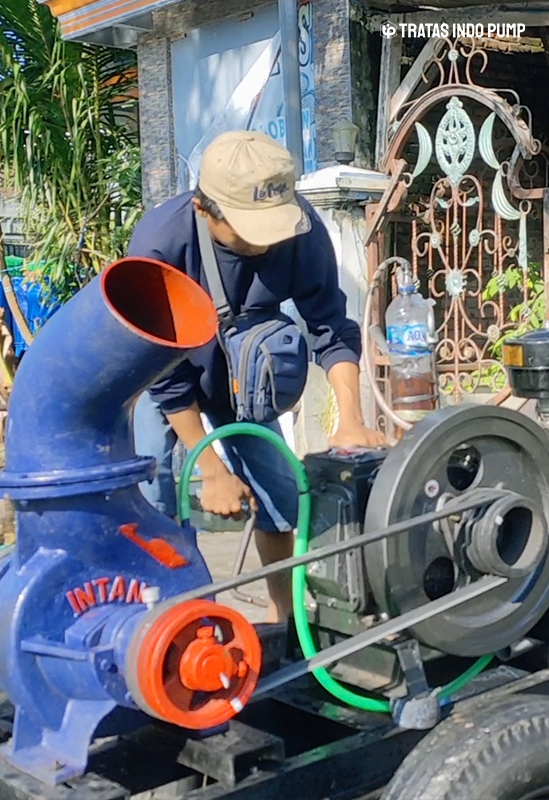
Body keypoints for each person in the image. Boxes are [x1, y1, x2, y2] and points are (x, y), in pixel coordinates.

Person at [129, 130, 387, 624]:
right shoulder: (161, 243)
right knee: (157, 497)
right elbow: (162, 370)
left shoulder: (300, 228)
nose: (268, 239)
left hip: (244, 376)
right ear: (206, 211)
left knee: (282, 493)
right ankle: (173, 622)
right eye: (252, 229)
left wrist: (350, 419)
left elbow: (329, 324)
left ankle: (283, 621)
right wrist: (210, 469)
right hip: (167, 377)